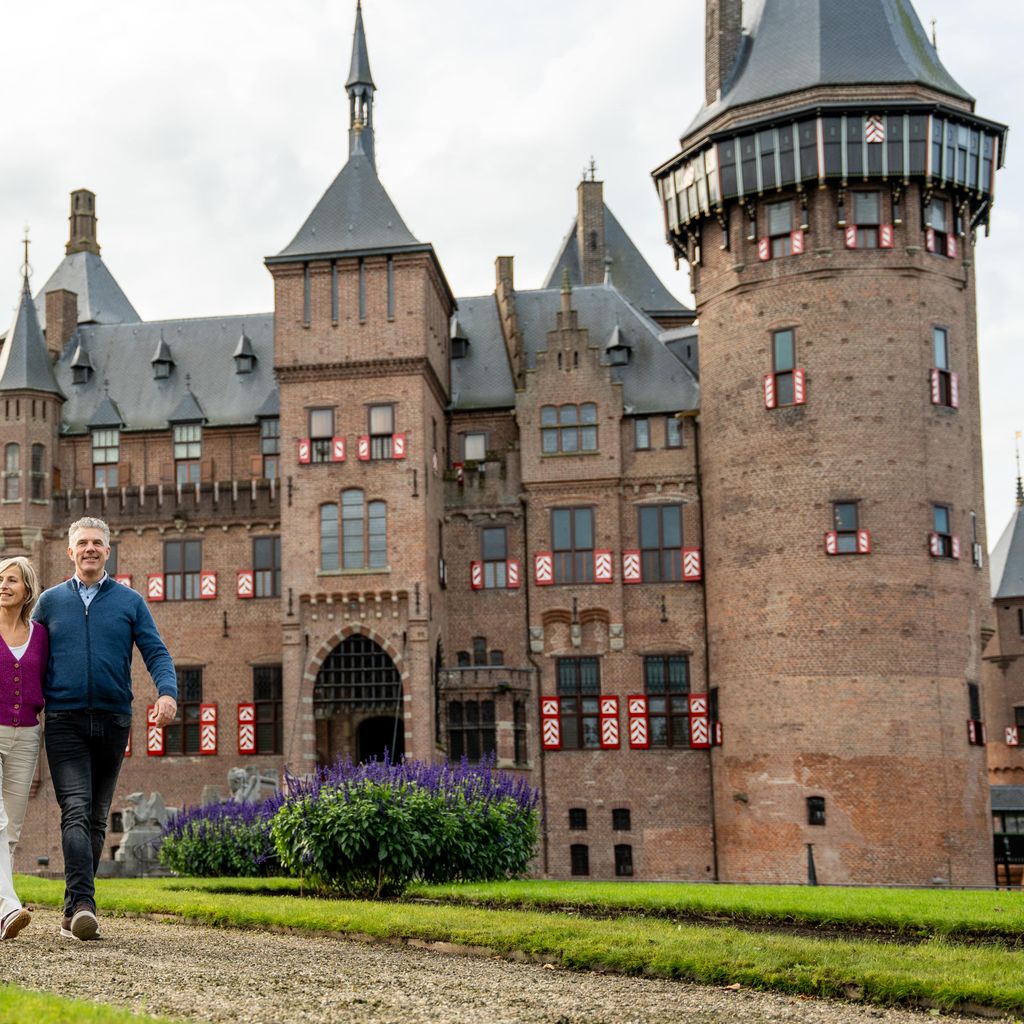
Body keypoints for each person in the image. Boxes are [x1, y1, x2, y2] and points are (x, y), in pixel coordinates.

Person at [33, 517, 177, 940]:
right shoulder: (49, 602)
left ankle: (72, 905)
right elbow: (26, 655)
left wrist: (166, 692)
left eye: (98, 543)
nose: (90, 549)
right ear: (70, 551)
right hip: (64, 720)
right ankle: (84, 905)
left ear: (108, 552)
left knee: (97, 817)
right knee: (75, 809)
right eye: (83, 543)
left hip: (114, 720)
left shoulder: (130, 601)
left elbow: (157, 652)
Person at [0, 556, 46, 940]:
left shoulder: (41, 634)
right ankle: (9, 907)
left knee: (11, 828)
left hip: (28, 735)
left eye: (11, 580)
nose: (3, 586)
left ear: (26, 589)